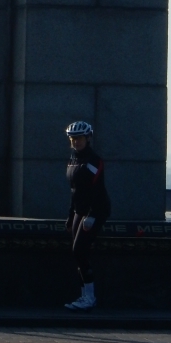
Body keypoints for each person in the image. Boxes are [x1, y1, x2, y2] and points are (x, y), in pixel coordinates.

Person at [63, 119, 111, 311]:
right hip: (79, 210)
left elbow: (97, 191)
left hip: (95, 210)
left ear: (88, 138)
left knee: (79, 251)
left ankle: (90, 298)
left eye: (80, 138)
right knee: (78, 254)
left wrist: (92, 215)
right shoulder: (73, 160)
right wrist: (70, 216)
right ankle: (84, 295)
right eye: (73, 139)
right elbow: (74, 191)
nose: (76, 142)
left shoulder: (93, 160)